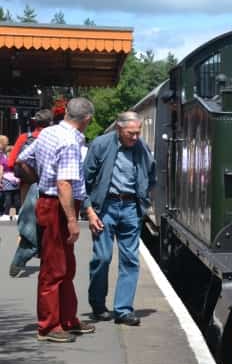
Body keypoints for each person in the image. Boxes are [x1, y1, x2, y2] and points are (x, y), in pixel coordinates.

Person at [16, 97, 99, 343]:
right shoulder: (70, 143)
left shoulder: (49, 133)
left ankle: (66, 318)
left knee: (65, 266)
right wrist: (73, 220)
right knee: (54, 268)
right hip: (58, 207)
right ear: (87, 120)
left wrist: (40, 180)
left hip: (50, 202)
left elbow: (22, 159)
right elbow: (64, 184)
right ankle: (49, 325)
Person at [83, 111, 155, 326]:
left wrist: (143, 197)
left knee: (130, 260)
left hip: (131, 207)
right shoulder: (101, 144)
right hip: (105, 207)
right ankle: (97, 305)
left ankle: (123, 310)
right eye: (130, 133)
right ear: (118, 129)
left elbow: (151, 174)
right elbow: (84, 179)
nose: (135, 137)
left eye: (138, 133)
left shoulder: (141, 147)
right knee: (102, 258)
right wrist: (89, 210)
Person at [11, 109, 53, 206]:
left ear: (35, 122)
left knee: (26, 213)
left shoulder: (24, 137)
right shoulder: (53, 138)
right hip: (47, 183)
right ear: (50, 123)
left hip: (27, 182)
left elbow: (12, 161)